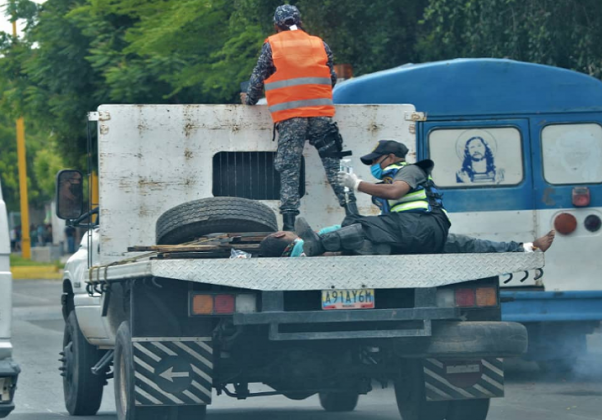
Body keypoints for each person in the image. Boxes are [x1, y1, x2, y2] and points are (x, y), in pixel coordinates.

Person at [241, 4, 355, 231]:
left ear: (276, 24)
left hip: (291, 116)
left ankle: (289, 225)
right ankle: (353, 213)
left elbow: (257, 80)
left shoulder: (272, 45)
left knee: (289, 168)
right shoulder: (319, 43)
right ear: (300, 21)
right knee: (335, 163)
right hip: (320, 114)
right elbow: (330, 78)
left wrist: (249, 99)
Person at [296, 140, 450, 256]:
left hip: (426, 224)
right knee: (355, 223)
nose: (373, 165)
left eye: (375, 160)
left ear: (391, 157)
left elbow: (395, 192)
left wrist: (357, 184)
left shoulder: (410, 170)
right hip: (412, 229)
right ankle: (372, 247)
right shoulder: (386, 184)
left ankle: (320, 243)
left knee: (364, 226)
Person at [260, 228, 555, 258]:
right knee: (463, 243)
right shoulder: (306, 246)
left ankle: (525, 248)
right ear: (278, 236)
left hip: (380, 246)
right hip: (389, 241)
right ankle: (525, 248)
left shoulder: (296, 256)